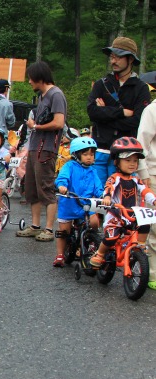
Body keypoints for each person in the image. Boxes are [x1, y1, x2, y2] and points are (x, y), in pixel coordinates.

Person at [87, 37, 151, 186]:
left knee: (123, 198)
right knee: (98, 198)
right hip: (101, 151)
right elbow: (92, 112)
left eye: (118, 56)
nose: (113, 61)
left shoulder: (141, 88)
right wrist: (121, 113)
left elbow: (137, 121)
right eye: (111, 56)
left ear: (130, 59)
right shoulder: (101, 84)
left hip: (126, 155)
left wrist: (105, 114)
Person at [16, 61, 67, 242]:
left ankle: (48, 229)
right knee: (31, 187)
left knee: (46, 188)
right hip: (34, 147)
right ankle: (35, 226)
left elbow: (59, 122)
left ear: (39, 77)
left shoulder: (56, 94)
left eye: (31, 78)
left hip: (46, 149)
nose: (29, 81)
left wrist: (35, 125)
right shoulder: (42, 96)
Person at [90, 137, 156, 268]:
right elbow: (109, 188)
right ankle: (100, 253)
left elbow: (145, 191)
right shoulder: (114, 178)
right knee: (111, 237)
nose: (132, 164)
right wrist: (107, 198)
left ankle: (140, 246)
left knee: (145, 225)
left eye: (135, 161)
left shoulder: (136, 180)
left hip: (131, 214)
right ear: (117, 162)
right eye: (128, 160)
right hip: (116, 214)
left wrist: (153, 200)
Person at [53, 136, 102, 267]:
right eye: (85, 154)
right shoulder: (69, 166)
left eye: (92, 154)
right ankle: (60, 255)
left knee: (94, 222)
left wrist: (102, 194)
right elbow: (62, 178)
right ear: (76, 154)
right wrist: (62, 186)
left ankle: (89, 242)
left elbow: (98, 186)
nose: (89, 157)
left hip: (86, 203)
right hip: (69, 202)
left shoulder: (93, 170)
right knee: (64, 231)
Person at [136, 96, 156, 290]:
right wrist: (143, 172)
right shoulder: (152, 110)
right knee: (154, 226)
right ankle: (152, 273)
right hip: (154, 173)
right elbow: (142, 142)